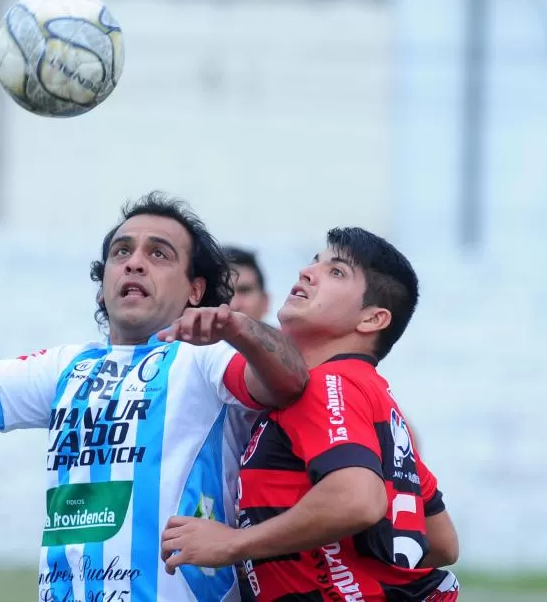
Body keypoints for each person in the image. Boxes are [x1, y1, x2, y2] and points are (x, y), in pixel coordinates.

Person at [0, 191, 310, 602]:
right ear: (103, 287)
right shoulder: (66, 366)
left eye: (159, 254)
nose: (135, 261)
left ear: (195, 290)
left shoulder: (205, 356)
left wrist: (240, 328)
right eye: (122, 252)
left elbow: (291, 381)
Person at [159, 227, 461, 601]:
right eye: (315, 262)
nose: (307, 271)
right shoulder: (371, 395)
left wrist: (234, 543)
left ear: (372, 320)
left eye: (336, 272)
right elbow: (441, 541)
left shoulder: (329, 383)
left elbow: (356, 500)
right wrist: (349, 563)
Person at [223, 246, 270, 322]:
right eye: (222, 293)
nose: (233, 305)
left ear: (265, 302)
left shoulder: (288, 333)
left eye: (244, 291)